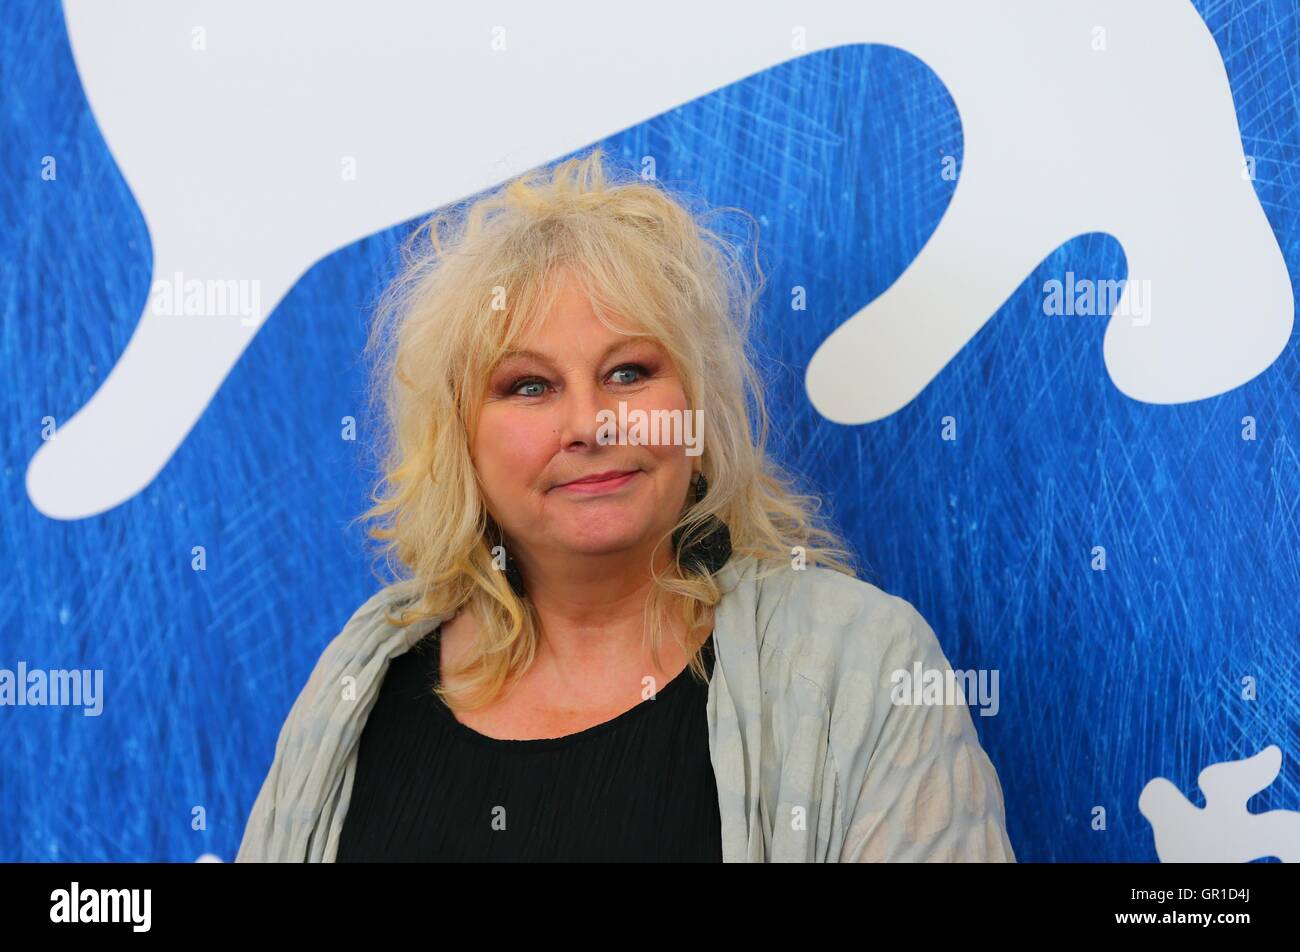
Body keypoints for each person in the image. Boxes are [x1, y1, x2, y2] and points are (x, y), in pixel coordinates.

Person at [236, 147, 1016, 862]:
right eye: (529, 386)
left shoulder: (863, 665)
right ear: (458, 441)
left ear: (699, 414)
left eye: (630, 372)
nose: (591, 424)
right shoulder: (361, 679)